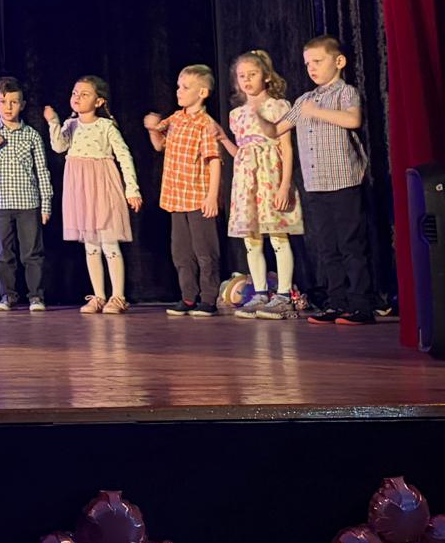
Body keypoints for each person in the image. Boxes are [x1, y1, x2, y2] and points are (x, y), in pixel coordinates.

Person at [253, 35, 376, 325]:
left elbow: (353, 120)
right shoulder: (304, 100)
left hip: (344, 182)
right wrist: (258, 113)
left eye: (318, 61)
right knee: (327, 247)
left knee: (351, 245)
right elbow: (277, 130)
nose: (312, 68)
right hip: (316, 185)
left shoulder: (345, 92)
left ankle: (361, 305)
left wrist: (317, 112)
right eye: (308, 63)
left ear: (339, 61)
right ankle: (336, 302)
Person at [43, 76, 140, 315]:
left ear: (99, 101)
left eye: (84, 94)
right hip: (80, 189)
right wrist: (53, 122)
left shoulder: (106, 126)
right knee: (91, 245)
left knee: (109, 242)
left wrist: (132, 188)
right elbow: (58, 146)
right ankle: (99, 296)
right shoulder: (70, 124)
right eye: (75, 93)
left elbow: (124, 156)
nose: (77, 97)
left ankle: (118, 296)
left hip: (103, 187)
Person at [220, 50, 300, 320]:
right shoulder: (236, 115)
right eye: (241, 76)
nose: (246, 80)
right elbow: (241, 153)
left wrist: (284, 185)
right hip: (246, 181)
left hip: (270, 178)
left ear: (266, 76)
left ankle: (284, 295)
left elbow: (286, 148)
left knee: (278, 236)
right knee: (251, 239)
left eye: (252, 74)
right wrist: (223, 139)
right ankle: (260, 293)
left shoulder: (278, 106)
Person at [145, 66, 223, 317]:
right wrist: (152, 129)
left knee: (205, 252)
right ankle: (188, 297)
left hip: (198, 197)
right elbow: (160, 145)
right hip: (176, 196)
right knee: (181, 252)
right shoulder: (175, 119)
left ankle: (208, 298)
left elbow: (213, 160)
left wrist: (212, 196)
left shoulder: (206, 124)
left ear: (202, 92)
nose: (179, 91)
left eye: (185, 87)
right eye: (179, 86)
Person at [0, 76, 52, 312]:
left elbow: (42, 171)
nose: (8, 107)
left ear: (22, 104)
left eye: (14, 102)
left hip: (28, 203)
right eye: (3, 101)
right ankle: (7, 296)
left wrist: (46, 205)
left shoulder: (32, 135)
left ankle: (36, 297)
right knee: (4, 254)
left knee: (32, 254)